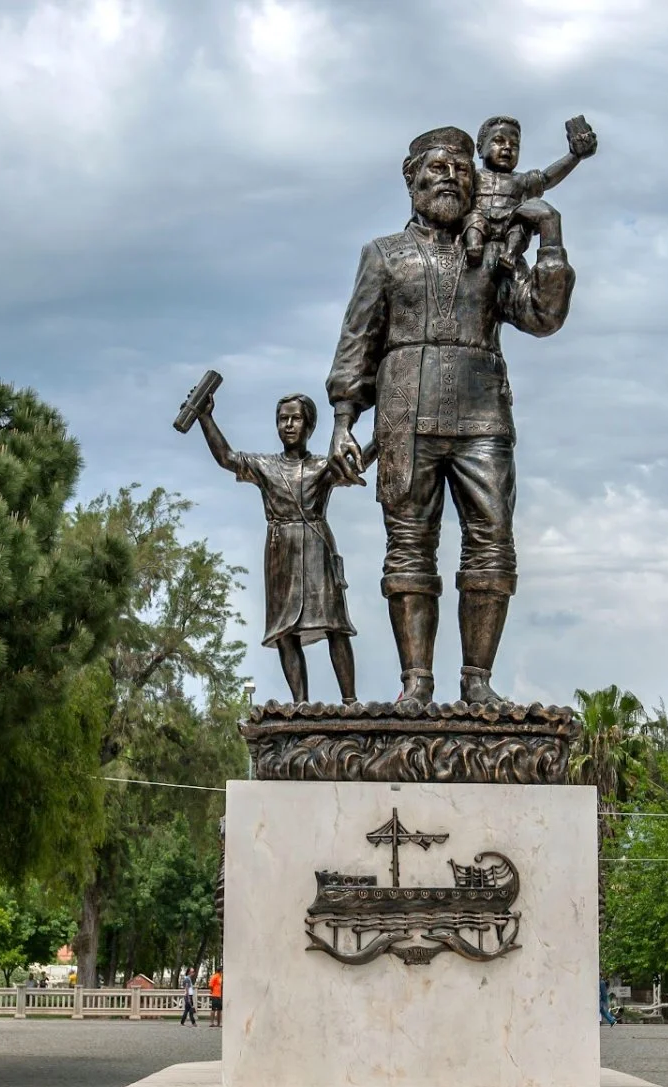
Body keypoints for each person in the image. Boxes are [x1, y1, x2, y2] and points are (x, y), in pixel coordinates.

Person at [327, 124, 579, 705]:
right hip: (403, 415)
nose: (451, 178)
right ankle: (415, 683)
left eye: (462, 170)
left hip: (483, 415)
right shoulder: (384, 255)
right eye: (438, 168)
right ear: (411, 178)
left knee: (492, 541)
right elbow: (357, 339)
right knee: (409, 544)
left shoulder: (494, 254)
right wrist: (343, 419)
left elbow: (543, 316)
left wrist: (550, 236)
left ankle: (478, 683)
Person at [193, 389, 371, 704]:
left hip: (316, 545)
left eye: (296, 418)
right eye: (282, 419)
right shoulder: (264, 465)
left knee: (335, 623)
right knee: (285, 630)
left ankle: (350, 701)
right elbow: (227, 458)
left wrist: (383, 437)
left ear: (310, 426)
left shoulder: (321, 466)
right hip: (280, 549)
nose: (288, 425)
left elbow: (355, 465)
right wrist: (205, 417)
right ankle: (300, 704)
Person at [464, 114, 597, 271]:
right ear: (480, 149)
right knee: (473, 220)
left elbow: (547, 178)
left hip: (509, 224)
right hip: (480, 221)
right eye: (499, 141)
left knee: (521, 227)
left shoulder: (523, 180)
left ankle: (510, 255)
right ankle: (474, 246)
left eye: (514, 145)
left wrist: (574, 156)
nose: (507, 147)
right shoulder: (470, 176)